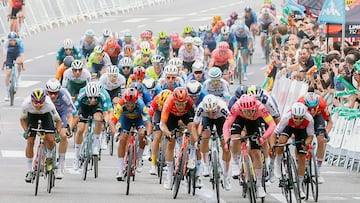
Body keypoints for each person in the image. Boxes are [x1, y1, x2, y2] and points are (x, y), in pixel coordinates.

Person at [222, 94, 276, 198]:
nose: (248, 113)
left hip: (254, 122)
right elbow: (226, 125)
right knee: (235, 137)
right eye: (246, 111)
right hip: (239, 119)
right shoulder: (236, 107)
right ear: (241, 108)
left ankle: (259, 185)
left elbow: (272, 125)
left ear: (255, 107)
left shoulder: (261, 108)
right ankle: (235, 163)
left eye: (251, 110)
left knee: (256, 152)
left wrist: (263, 138)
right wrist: (227, 140)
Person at [272, 102, 314, 199]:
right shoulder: (287, 117)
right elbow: (275, 133)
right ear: (292, 115)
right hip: (288, 127)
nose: (298, 121)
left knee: (302, 157)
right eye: (296, 118)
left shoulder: (309, 119)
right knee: (282, 141)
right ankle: (278, 163)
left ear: (304, 116)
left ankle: (299, 187)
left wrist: (305, 144)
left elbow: (310, 136)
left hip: (302, 131)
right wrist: (273, 146)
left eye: (300, 118)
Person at [160, 87, 199, 189]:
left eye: (183, 104)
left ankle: (192, 156)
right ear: (174, 101)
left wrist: (196, 138)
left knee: (192, 127)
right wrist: (168, 133)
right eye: (178, 104)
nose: (180, 106)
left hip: (187, 115)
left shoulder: (190, 102)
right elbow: (163, 124)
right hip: (172, 117)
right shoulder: (169, 102)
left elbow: (196, 121)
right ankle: (169, 175)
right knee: (171, 142)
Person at [20, 88, 62, 182]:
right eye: (36, 103)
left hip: (46, 116)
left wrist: (57, 133)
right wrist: (26, 131)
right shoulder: (26, 104)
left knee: (51, 139)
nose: (38, 105)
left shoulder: (49, 105)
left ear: (44, 100)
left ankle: (49, 157)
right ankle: (29, 171)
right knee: (30, 141)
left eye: (41, 103)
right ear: (32, 100)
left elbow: (58, 121)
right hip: (32, 117)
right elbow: (22, 119)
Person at [111, 88, 152, 180]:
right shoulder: (120, 104)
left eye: (132, 104)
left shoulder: (141, 105)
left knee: (142, 135)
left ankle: (139, 157)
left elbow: (148, 122)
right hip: (125, 120)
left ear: (136, 102)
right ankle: (120, 169)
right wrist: (115, 133)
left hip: (139, 120)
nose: (129, 106)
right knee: (122, 139)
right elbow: (112, 122)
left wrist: (147, 134)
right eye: (128, 104)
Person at [194, 94, 232, 190]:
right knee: (205, 136)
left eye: (213, 112)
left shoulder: (222, 107)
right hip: (207, 121)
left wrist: (228, 137)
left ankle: (226, 176)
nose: (211, 114)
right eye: (208, 112)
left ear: (217, 107)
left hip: (221, 120)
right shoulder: (201, 108)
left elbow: (230, 123)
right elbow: (195, 125)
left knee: (225, 146)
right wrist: (198, 137)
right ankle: (206, 165)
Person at [72, 82, 112, 170]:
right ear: (87, 95)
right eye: (90, 98)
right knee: (80, 129)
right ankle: (76, 157)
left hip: (97, 108)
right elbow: (74, 111)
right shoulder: (82, 94)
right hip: (84, 108)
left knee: (98, 119)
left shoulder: (103, 95)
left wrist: (105, 122)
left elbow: (106, 112)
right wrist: (72, 124)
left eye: (95, 98)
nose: (93, 100)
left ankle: (96, 144)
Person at [298, 92, 333, 184]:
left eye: (314, 108)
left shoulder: (322, 104)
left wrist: (326, 133)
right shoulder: (300, 103)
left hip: (318, 118)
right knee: (302, 141)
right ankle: (301, 163)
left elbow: (330, 122)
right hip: (303, 117)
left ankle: (318, 170)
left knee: (321, 140)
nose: (312, 111)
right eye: (310, 108)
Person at [45, 79, 75, 179]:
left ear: (59, 91)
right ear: (46, 91)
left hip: (61, 113)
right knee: (46, 134)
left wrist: (69, 128)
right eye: (50, 93)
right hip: (48, 113)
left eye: (55, 93)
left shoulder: (64, 96)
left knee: (63, 136)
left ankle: (61, 164)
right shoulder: (43, 95)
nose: (53, 95)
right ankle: (46, 155)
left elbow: (70, 115)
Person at [148, 89, 173, 175]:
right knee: (157, 136)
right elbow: (150, 115)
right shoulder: (156, 100)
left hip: (170, 114)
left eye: (164, 105)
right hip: (158, 115)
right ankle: (153, 164)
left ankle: (167, 159)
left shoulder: (173, 102)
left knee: (170, 136)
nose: (162, 107)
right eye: (160, 105)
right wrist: (151, 126)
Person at [2, 31, 24, 101]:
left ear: (16, 39)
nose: (12, 42)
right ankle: (7, 93)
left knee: (19, 63)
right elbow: (4, 55)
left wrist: (22, 63)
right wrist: (3, 64)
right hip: (9, 55)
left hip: (17, 54)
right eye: (10, 40)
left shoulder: (20, 43)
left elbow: (22, 55)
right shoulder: (6, 44)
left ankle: (19, 75)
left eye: (14, 40)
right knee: (8, 73)